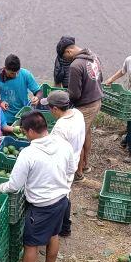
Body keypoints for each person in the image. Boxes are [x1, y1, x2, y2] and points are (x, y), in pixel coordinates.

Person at [0, 111, 75, 262]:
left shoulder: (29, 153)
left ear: (31, 131)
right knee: (53, 234)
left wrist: (1, 187)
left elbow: (15, 185)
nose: (25, 135)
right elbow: (71, 169)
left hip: (41, 206)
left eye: (25, 132)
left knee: (31, 243)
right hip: (61, 200)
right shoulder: (64, 145)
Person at [41, 91, 86, 238]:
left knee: (61, 196)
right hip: (74, 157)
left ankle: (64, 227)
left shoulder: (61, 127)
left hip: (64, 165)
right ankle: (64, 226)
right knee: (65, 192)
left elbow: (53, 151)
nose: (49, 110)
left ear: (54, 109)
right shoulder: (77, 113)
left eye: (49, 108)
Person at [58, 37, 103, 179]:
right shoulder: (93, 56)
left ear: (69, 51)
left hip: (85, 105)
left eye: (64, 56)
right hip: (96, 100)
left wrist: (64, 97)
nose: (65, 59)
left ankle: (78, 173)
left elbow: (75, 94)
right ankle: (85, 164)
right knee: (86, 132)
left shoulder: (76, 65)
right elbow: (100, 78)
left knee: (77, 137)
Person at [0, 54, 42, 125]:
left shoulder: (25, 74)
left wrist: (37, 98)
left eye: (17, 72)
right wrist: (0, 102)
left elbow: (38, 91)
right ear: (5, 68)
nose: (15, 75)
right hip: (5, 117)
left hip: (23, 115)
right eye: (12, 73)